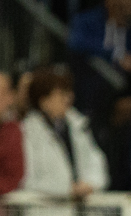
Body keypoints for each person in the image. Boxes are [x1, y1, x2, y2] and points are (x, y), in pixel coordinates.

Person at [18, 65, 108, 203]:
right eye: (61, 93)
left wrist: (90, 184)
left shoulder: (79, 125)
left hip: (81, 213)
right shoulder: (27, 132)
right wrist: (67, 189)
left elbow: (96, 163)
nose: (69, 98)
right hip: (45, 214)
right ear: (44, 101)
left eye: (69, 91)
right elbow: (27, 178)